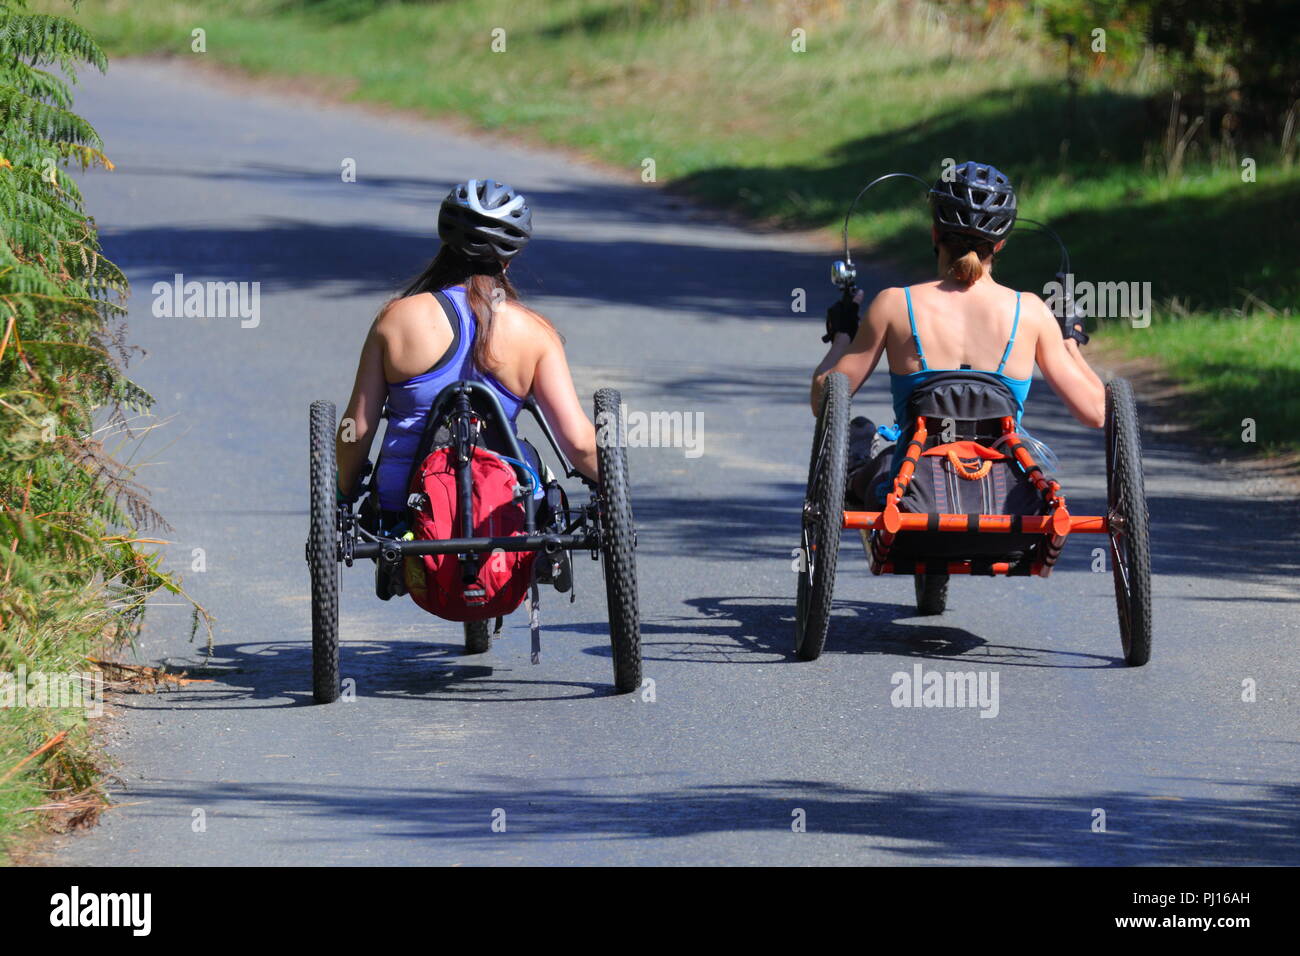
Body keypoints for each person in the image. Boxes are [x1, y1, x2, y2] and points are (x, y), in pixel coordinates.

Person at [810, 161, 1106, 506]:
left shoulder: (894, 305)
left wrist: (843, 335)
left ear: (935, 233)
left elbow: (824, 401)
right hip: (1005, 499)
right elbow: (1096, 412)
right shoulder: (1031, 311)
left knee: (863, 444)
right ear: (1001, 243)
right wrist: (1070, 343)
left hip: (913, 494)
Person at [334, 179, 599, 523]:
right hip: (506, 505)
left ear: (445, 243)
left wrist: (343, 491)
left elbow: (358, 428)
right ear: (508, 258)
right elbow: (578, 444)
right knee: (540, 479)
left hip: (405, 504)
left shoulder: (396, 319)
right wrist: (611, 491)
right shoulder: (534, 332)